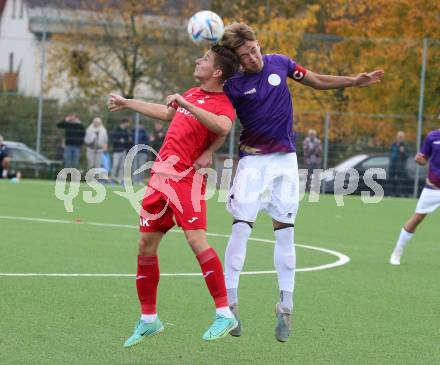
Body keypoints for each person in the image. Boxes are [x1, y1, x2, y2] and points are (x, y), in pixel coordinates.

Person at [219, 23, 384, 342]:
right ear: (236, 59)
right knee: (241, 228)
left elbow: (317, 80)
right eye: (245, 55)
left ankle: (286, 305)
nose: (254, 58)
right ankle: (230, 306)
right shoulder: (233, 85)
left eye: (254, 49)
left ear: (259, 43)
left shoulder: (279, 62)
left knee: (286, 232)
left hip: (285, 162)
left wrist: (353, 81)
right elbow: (218, 120)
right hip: (253, 163)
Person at [107, 44, 241, 347]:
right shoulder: (192, 93)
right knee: (145, 245)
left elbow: (223, 126)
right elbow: (167, 113)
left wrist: (188, 108)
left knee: (196, 241)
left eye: (205, 59)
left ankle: (224, 313)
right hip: (160, 178)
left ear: (217, 72)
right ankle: (149, 320)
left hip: (186, 180)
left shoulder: (222, 104)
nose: (198, 60)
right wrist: (128, 102)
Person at [389, 128, 440, 265]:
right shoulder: (432, 137)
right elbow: (423, 159)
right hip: (433, 188)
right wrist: (420, 160)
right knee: (417, 218)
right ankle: (397, 252)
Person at [110, 118, 131, 183]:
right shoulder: (116, 130)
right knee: (115, 165)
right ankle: (112, 179)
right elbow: (112, 139)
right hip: (116, 150)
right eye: (128, 123)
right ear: (124, 122)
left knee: (122, 166)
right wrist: (119, 141)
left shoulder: (126, 131)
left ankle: (120, 179)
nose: (129, 124)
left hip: (123, 151)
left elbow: (128, 141)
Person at [389, 131, 409, 196]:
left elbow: (407, 156)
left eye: (401, 137)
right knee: (391, 180)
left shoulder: (405, 146)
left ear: (403, 138)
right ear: (396, 137)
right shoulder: (393, 145)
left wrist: (403, 152)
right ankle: (390, 194)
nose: (400, 138)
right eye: (399, 136)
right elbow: (390, 154)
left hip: (400, 167)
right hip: (392, 166)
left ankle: (398, 194)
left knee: (400, 182)